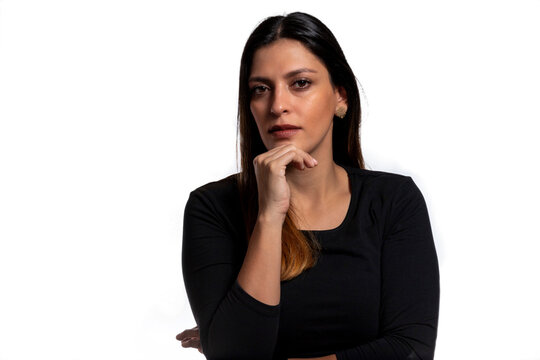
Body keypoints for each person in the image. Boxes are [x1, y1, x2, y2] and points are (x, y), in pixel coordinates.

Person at [176, 11, 440, 360]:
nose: (278, 106)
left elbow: (411, 350)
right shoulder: (212, 208)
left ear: (340, 97)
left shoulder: (392, 201)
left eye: (300, 83)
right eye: (261, 89)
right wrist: (270, 216)